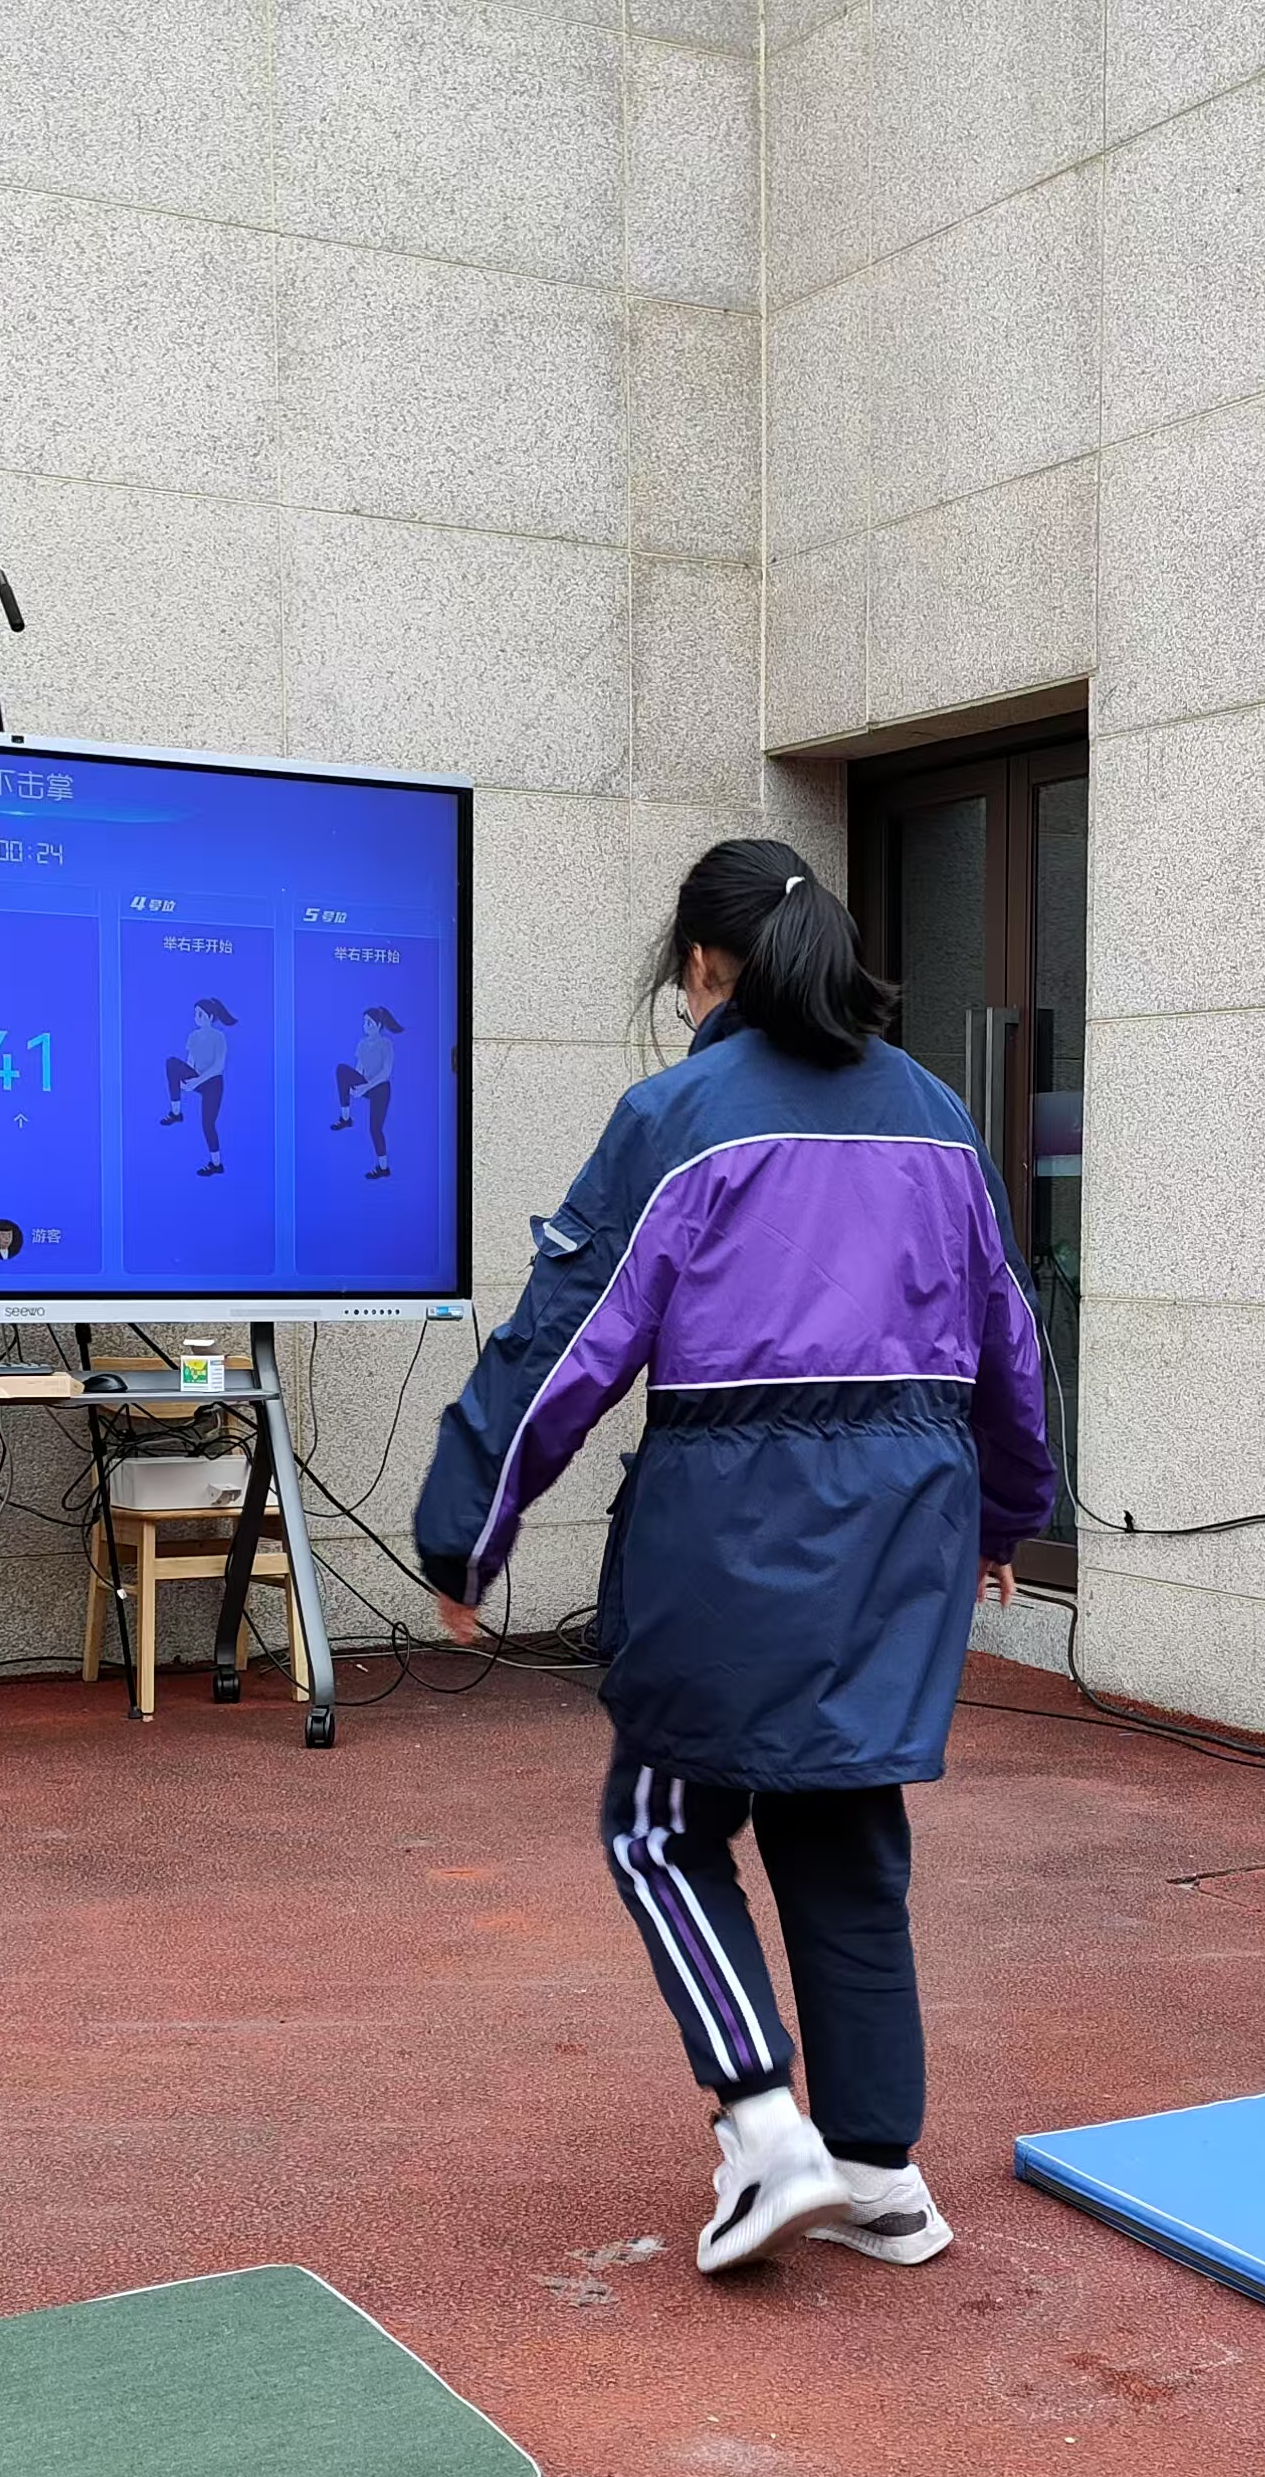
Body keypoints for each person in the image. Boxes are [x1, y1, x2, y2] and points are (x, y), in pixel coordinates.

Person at [414, 838, 1054, 2276]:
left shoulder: (680, 1117)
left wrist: (466, 1532)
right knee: (843, 1829)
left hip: (731, 1528)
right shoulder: (940, 1116)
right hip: (905, 1531)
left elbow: (560, 1347)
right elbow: (1012, 1337)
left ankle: (764, 2131)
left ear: (704, 966)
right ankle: (882, 2177)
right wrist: (1009, 1516)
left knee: (659, 1825)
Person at [160, 995, 238, 1175]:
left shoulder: (218, 1037)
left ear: (210, 1017)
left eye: (201, 1014)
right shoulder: (193, 1036)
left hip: (213, 1083)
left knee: (208, 1124)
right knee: (171, 1063)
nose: (197, 1017)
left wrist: (196, 1081)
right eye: (195, 1014)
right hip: (197, 1078)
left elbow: (218, 1067)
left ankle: (216, 1164)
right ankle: (176, 1112)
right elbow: (190, 1062)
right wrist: (184, 1082)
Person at [333, 1004, 402, 1178]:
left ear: (379, 1026)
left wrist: (365, 1087)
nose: (365, 1026)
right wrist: (353, 1087)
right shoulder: (362, 1043)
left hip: (381, 1089)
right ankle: (345, 1117)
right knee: (342, 1070)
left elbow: (386, 1073)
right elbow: (360, 1068)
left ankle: (383, 1168)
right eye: (364, 1023)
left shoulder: (386, 1044)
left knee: (375, 1129)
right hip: (366, 1084)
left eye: (369, 1023)